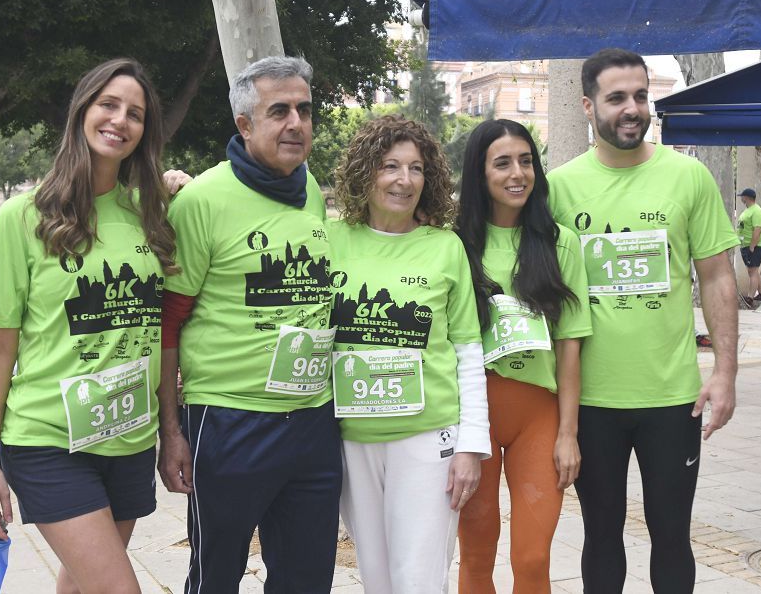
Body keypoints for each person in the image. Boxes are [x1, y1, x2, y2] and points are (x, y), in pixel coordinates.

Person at [0, 58, 177, 594]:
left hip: (130, 436)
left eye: (135, 113)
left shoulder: (152, 213)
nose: (120, 120)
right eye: (108, 105)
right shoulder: (23, 217)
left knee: (82, 586)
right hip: (49, 442)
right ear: (82, 111)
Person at [547, 48, 739, 593]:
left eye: (640, 96)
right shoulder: (559, 189)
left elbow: (719, 279)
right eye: (616, 99)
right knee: (600, 535)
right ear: (588, 106)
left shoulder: (688, 176)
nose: (632, 109)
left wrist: (725, 373)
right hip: (590, 401)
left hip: (673, 398)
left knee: (672, 534)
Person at [159, 56, 342, 593]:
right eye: (279, 111)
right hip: (229, 422)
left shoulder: (309, 190)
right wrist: (171, 431)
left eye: (304, 111)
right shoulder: (199, 201)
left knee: (307, 579)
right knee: (216, 575)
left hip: (312, 420)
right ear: (244, 125)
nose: (296, 124)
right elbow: (168, 324)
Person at [328, 115, 489, 593]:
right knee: (376, 578)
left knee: (417, 578)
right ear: (365, 172)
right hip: (351, 438)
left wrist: (469, 445)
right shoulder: (331, 237)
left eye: (416, 168)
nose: (403, 180)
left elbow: (467, 350)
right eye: (389, 166)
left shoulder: (445, 248)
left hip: (426, 439)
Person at [454, 119, 591, 593]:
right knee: (476, 554)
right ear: (479, 173)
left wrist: (568, 434)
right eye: (503, 163)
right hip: (473, 419)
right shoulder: (452, 245)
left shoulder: (560, 243)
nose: (518, 173)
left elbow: (569, 345)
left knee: (532, 558)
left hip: (540, 417)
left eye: (527, 161)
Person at [737, 188, 761, 304]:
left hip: (756, 245)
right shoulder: (749, 210)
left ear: (747, 197)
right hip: (747, 245)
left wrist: (752, 246)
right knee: (754, 270)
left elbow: (757, 229)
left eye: (742, 196)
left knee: (752, 271)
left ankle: (750, 298)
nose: (741, 198)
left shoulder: (756, 210)